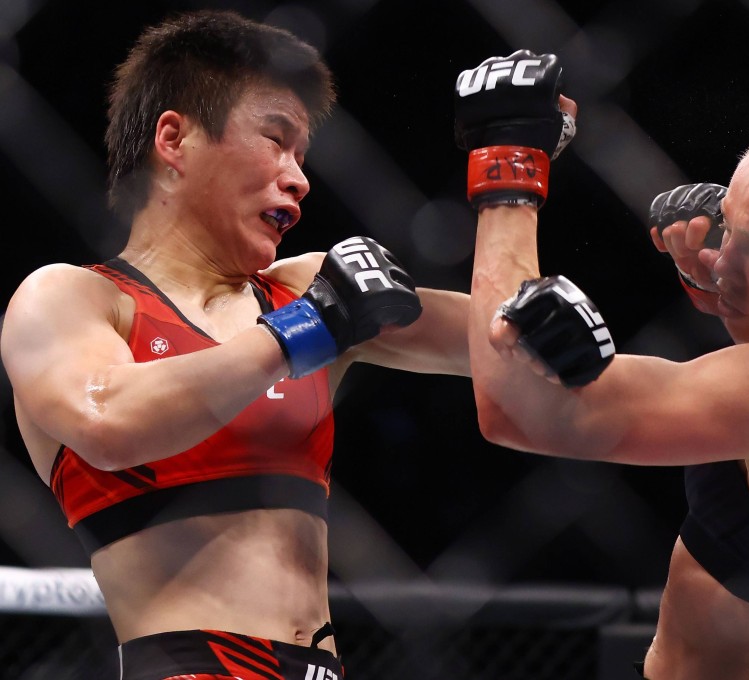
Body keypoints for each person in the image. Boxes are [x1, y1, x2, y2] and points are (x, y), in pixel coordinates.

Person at [0, 10, 469, 680]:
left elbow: (516, 349)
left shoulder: (304, 286)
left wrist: (509, 172)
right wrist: (309, 330)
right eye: (275, 141)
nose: (298, 179)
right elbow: (109, 422)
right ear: (174, 139)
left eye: (301, 156)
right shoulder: (73, 299)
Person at [454, 50, 749, 680]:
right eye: (728, 228)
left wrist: (509, 176)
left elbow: (518, 411)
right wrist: (744, 296)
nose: (722, 261)